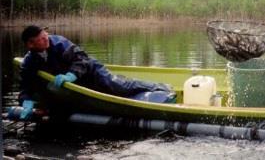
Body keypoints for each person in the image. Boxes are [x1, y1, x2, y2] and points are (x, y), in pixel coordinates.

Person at [17, 25, 176, 120]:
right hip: (78, 84)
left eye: (46, 36)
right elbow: (26, 83)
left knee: (120, 86)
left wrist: (71, 75)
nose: (47, 39)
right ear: (31, 44)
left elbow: (82, 59)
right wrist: (26, 100)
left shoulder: (59, 43)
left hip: (92, 71)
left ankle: (158, 87)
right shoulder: (30, 60)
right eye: (42, 39)